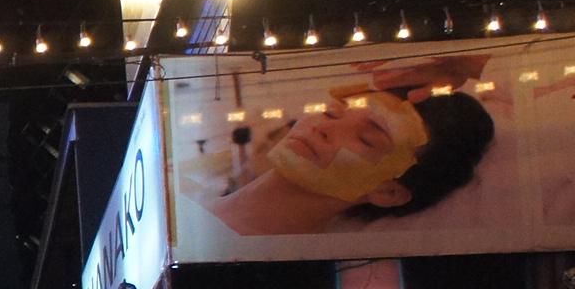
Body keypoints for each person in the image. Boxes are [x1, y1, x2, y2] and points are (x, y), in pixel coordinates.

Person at [207, 91, 493, 236]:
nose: (322, 127)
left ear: (388, 192)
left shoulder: (267, 265)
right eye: (333, 114)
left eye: (366, 139)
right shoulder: (185, 200)